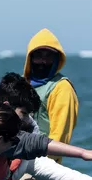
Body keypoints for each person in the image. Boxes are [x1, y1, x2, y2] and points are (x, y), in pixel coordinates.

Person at [23, 28, 78, 164]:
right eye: (39, 56)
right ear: (30, 58)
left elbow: (60, 134)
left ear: (56, 60)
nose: (43, 61)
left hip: (40, 163)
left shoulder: (61, 88)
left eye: (48, 56)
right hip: (13, 159)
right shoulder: (20, 84)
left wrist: (43, 163)